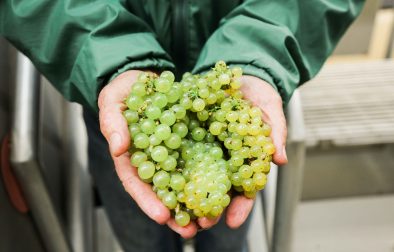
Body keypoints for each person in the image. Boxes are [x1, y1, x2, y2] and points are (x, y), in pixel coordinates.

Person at [0, 1, 364, 251]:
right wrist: (107, 56)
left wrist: (258, 51)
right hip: (126, 113)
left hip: (233, 101)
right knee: (140, 235)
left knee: (224, 235)